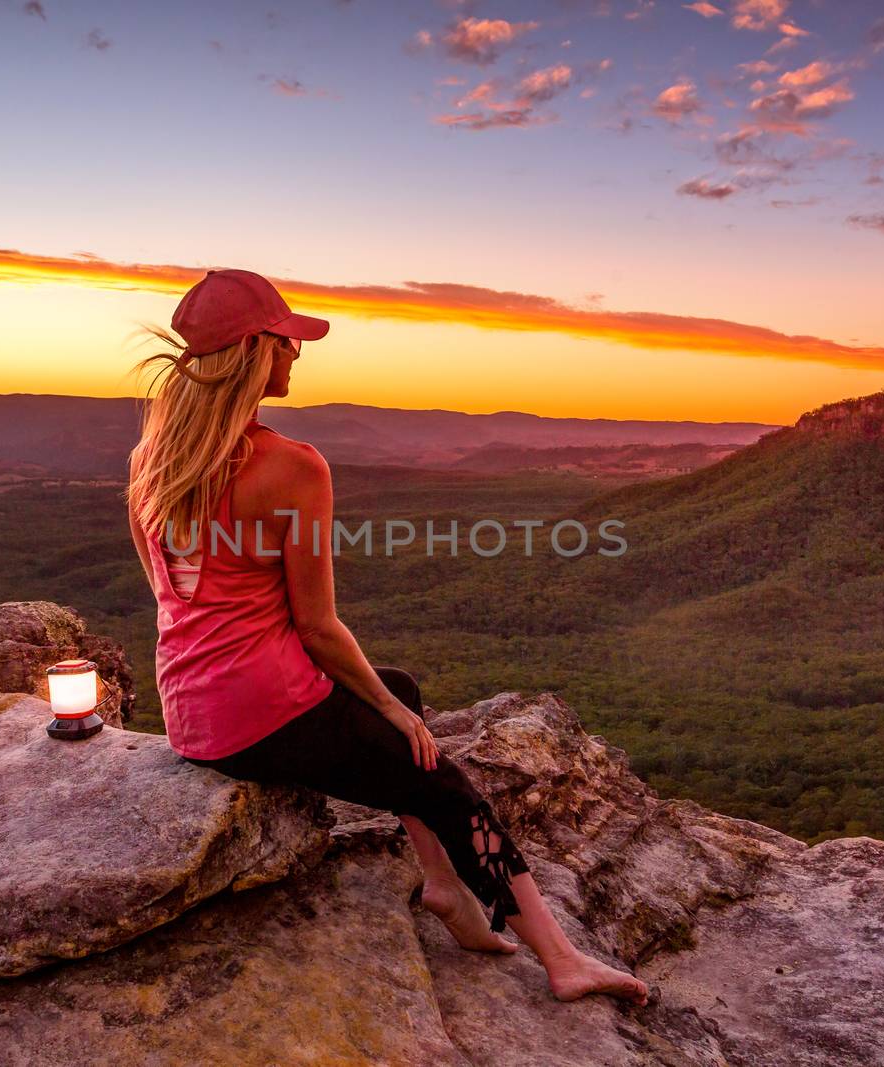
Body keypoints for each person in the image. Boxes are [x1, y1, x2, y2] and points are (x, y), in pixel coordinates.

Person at [123, 268, 649, 1005]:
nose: (296, 355)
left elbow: (168, 593)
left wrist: (386, 699)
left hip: (191, 714)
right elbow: (317, 625)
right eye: (285, 341)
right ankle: (562, 959)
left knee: (398, 687)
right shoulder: (293, 467)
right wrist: (393, 716)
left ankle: (441, 883)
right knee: (441, 778)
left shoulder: (152, 461)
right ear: (252, 351)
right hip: (262, 715)